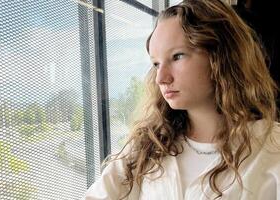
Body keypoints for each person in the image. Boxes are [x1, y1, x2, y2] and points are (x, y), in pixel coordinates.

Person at [83, 0, 280, 199]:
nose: (161, 78)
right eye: (156, 64)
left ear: (221, 56)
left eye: (177, 56)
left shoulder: (273, 148)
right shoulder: (147, 147)